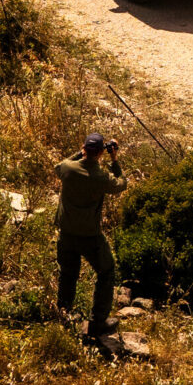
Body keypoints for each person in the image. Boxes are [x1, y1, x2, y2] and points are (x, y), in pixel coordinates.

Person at [54, 133, 130, 338]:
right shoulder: (100, 177)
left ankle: (64, 315)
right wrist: (114, 160)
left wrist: (81, 152)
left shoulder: (68, 169)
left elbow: (59, 165)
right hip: (89, 236)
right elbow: (121, 184)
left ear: (84, 148)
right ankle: (98, 321)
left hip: (67, 232)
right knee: (106, 270)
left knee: (68, 274)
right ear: (100, 153)